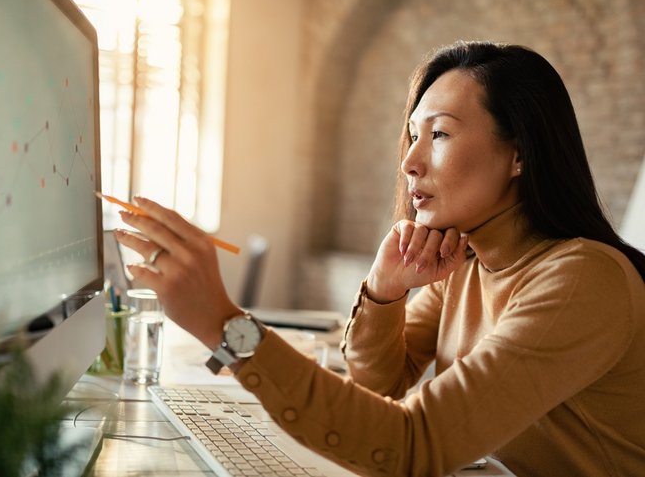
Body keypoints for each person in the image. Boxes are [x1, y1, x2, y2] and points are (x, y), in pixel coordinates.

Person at [114, 41, 645, 476]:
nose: (410, 162)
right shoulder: (467, 263)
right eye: (413, 136)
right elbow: (376, 390)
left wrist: (223, 325)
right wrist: (383, 292)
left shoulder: (580, 278)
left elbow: (410, 444)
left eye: (438, 134)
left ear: (520, 153)